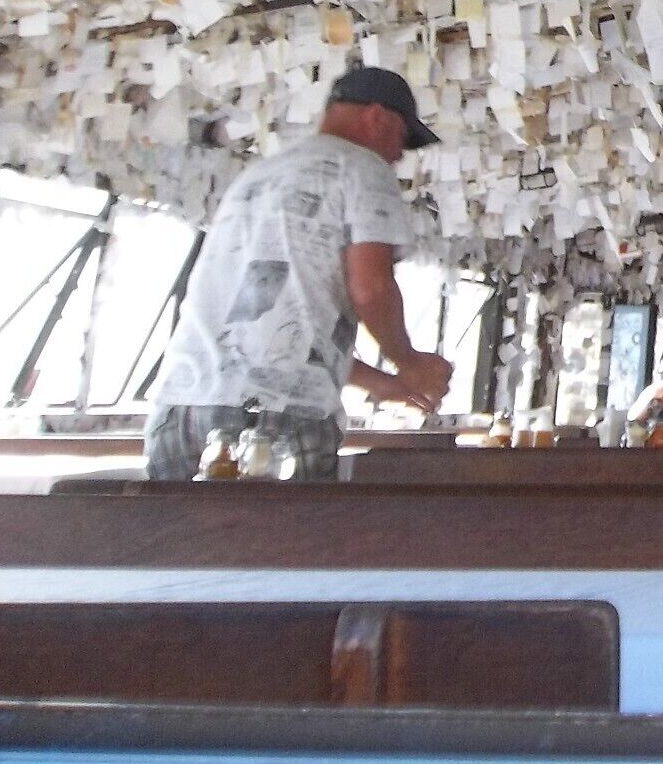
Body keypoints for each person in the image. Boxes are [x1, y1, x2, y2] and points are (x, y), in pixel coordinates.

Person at [144, 66, 454, 482]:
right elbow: (371, 287)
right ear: (377, 117)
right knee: (286, 548)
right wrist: (409, 361)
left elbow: (272, 329)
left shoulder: (255, 177)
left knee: (177, 545)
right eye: (400, 137)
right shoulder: (361, 166)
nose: (397, 156)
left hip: (179, 409)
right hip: (275, 421)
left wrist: (385, 384)